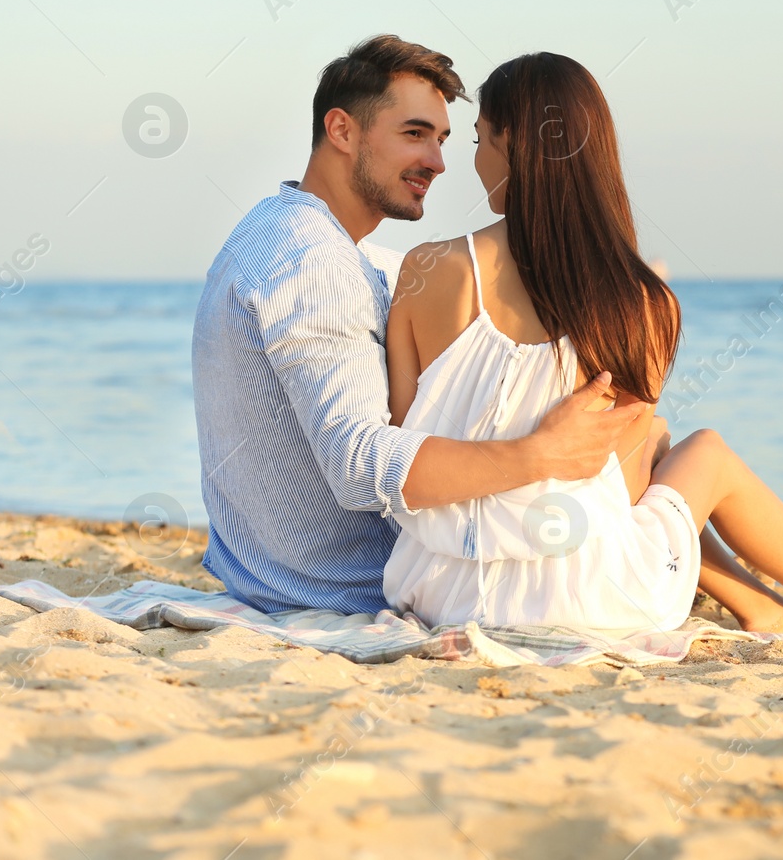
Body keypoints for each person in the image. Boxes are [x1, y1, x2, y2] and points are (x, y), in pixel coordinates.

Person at [382, 52, 783, 639]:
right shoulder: (641, 300)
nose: (472, 162)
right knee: (703, 452)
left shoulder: (425, 268)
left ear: (513, 143)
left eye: (479, 139)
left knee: (655, 446)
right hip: (592, 597)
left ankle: (763, 607)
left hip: (442, 589)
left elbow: (409, 448)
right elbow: (625, 491)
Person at [192, 36, 649, 614]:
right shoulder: (310, 262)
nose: (436, 161)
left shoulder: (298, 234)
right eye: (415, 134)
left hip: (275, 569)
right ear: (342, 131)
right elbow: (360, 466)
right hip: (336, 585)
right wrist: (541, 453)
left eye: (444, 139)